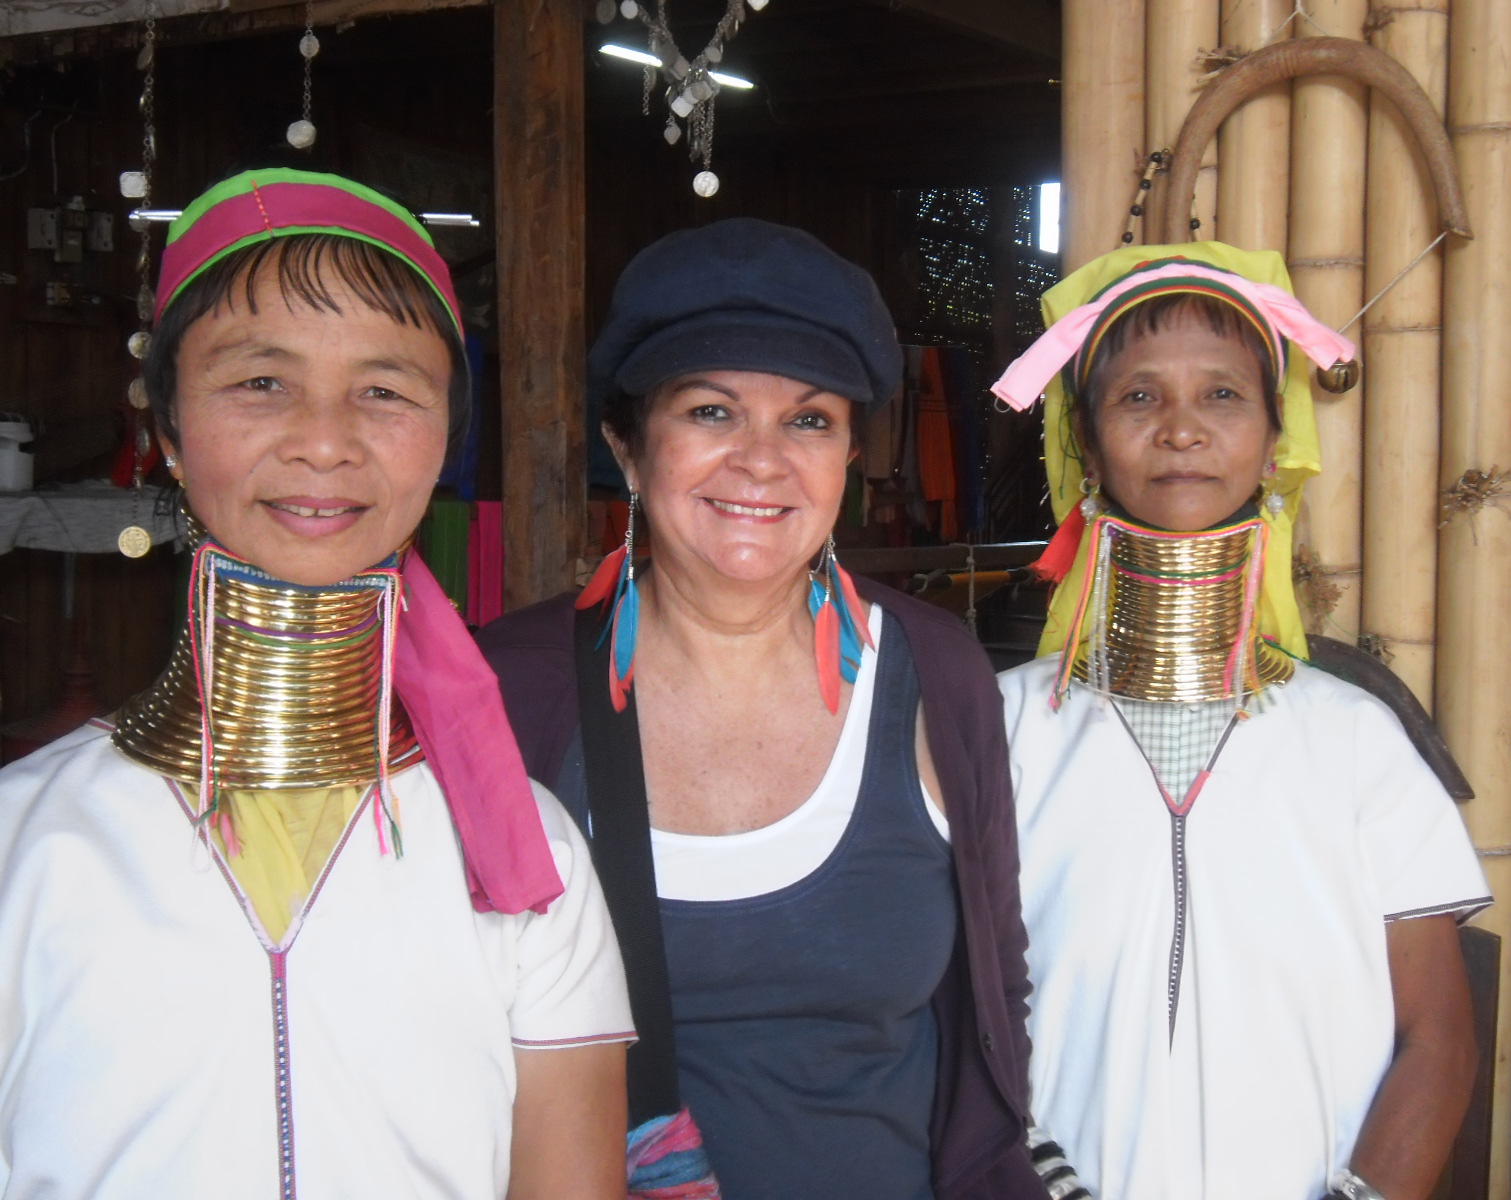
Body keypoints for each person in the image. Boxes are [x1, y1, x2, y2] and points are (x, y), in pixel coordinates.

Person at [0, 168, 632, 1200]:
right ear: (163, 428)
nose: (326, 440)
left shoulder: (527, 857)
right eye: (260, 381)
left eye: (385, 391)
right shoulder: (22, 844)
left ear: (441, 444)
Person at [478, 218, 1047, 1200]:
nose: (761, 460)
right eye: (709, 412)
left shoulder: (935, 672)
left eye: (810, 420)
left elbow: (996, 995)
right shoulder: (505, 692)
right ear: (626, 440)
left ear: (852, 457)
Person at [989, 242, 1491, 1200]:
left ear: (1274, 441)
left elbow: (1439, 1038)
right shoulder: (1003, 731)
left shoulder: (1355, 741)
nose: (1181, 429)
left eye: (1222, 396)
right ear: (1087, 445)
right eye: (1138, 397)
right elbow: (955, 1018)